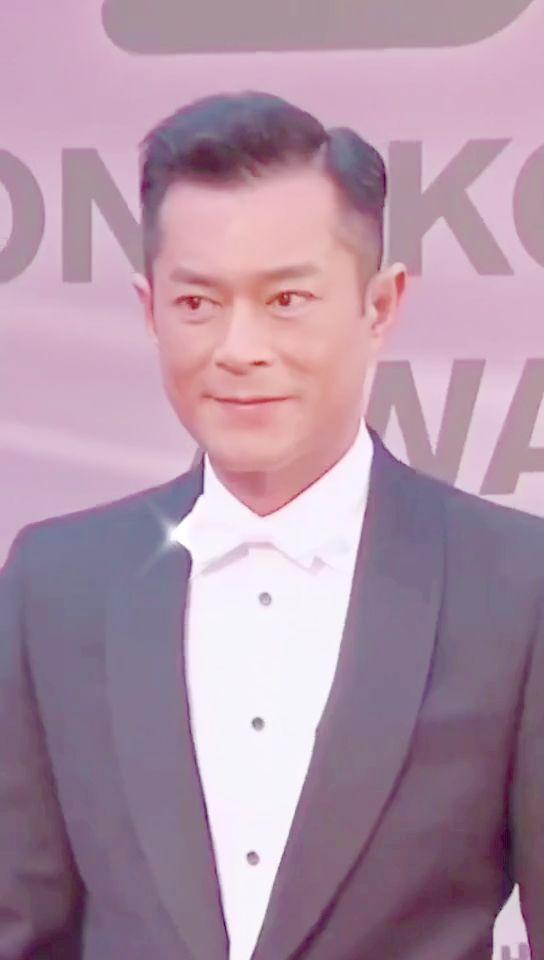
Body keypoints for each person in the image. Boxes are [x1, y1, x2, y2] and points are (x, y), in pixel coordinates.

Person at [0, 90, 543, 960]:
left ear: (380, 306)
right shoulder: (55, 585)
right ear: (148, 309)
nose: (239, 348)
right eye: (197, 304)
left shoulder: (515, 585)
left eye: (287, 299)